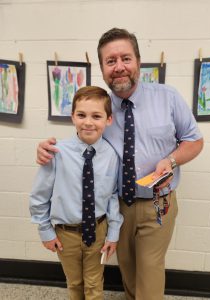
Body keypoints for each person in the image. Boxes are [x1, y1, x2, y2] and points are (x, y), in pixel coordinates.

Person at [36, 28, 204, 300]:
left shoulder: (168, 97)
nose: (119, 67)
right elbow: (79, 142)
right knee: (128, 271)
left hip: (158, 202)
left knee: (149, 272)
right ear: (102, 68)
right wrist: (46, 149)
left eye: (125, 58)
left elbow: (194, 141)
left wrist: (171, 159)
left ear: (138, 60)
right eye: (110, 61)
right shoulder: (101, 108)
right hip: (118, 205)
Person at [30, 86, 123, 300]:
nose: (88, 122)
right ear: (72, 117)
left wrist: (113, 233)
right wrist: (45, 230)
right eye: (81, 115)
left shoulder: (111, 155)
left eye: (96, 116)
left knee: (94, 285)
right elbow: (39, 195)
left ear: (108, 120)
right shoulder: (56, 153)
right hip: (66, 234)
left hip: (98, 232)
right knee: (74, 283)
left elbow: (112, 196)